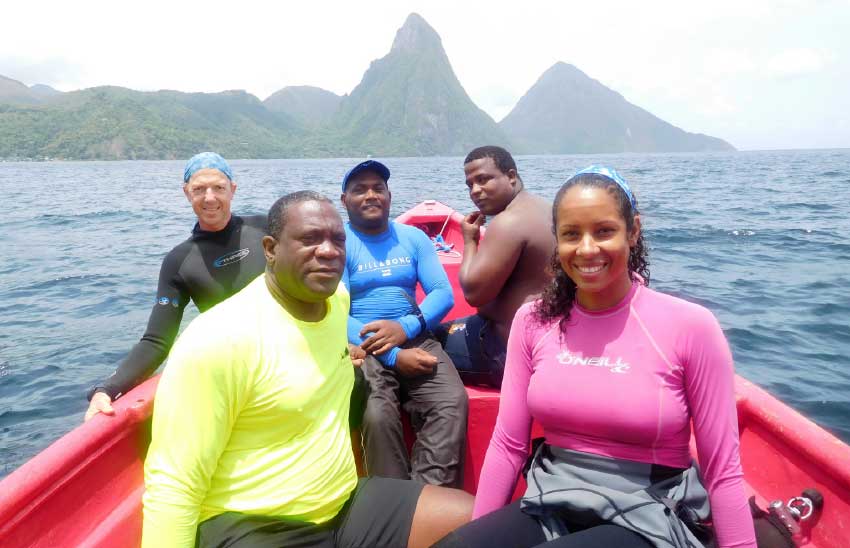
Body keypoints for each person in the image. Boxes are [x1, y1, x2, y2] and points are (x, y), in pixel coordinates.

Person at [436, 167, 757, 548]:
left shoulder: (690, 326)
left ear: (632, 232)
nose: (587, 249)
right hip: (552, 499)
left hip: (648, 515)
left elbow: (722, 469)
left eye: (604, 231)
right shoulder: (534, 321)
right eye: (572, 234)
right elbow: (508, 444)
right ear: (558, 241)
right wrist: (479, 537)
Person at [142, 191, 472, 548]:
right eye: (310, 239)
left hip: (343, 506)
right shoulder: (217, 340)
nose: (328, 251)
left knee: (473, 520)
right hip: (255, 525)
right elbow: (174, 485)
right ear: (270, 249)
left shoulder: (336, 303)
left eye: (337, 240)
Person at [84, 152, 267, 420]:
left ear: (233, 189)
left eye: (219, 188)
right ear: (186, 193)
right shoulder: (180, 260)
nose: (210, 197)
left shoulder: (266, 227)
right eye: (199, 189)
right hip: (236, 370)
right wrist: (108, 389)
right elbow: (158, 340)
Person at [340, 160, 468, 487]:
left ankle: (428, 497)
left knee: (451, 402)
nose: (370, 195)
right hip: (363, 346)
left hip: (417, 337)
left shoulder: (413, 238)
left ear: (389, 195)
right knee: (377, 415)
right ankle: (393, 503)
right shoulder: (339, 245)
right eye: (359, 189)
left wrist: (406, 329)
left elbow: (442, 293)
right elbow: (335, 312)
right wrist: (393, 356)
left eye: (377, 188)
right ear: (344, 201)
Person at [435, 146, 553, 388]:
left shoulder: (508, 222)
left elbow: (474, 294)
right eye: (470, 185)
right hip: (548, 345)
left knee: (424, 345)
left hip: (508, 354)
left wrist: (470, 240)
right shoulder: (547, 209)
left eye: (483, 179)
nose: (475, 191)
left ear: (511, 176)